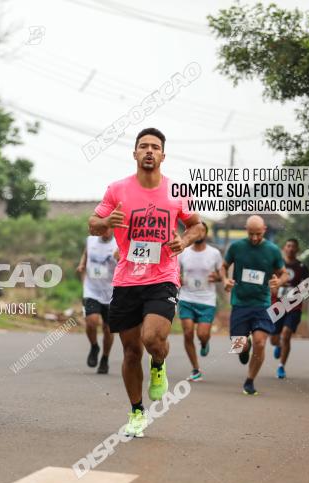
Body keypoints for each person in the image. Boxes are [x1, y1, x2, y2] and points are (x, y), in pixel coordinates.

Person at [88, 128, 203, 437]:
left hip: (163, 276)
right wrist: (105, 223)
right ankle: (137, 412)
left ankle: (159, 363)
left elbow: (197, 226)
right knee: (129, 352)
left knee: (152, 337)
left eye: (155, 147)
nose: (149, 151)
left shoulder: (176, 191)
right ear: (135, 153)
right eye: (143, 146)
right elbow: (93, 223)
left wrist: (186, 239)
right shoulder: (117, 189)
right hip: (127, 279)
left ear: (163, 155)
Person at [222, 216, 286, 396]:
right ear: (245, 230)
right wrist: (225, 279)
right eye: (251, 234)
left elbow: (284, 273)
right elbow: (223, 266)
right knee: (238, 347)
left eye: (258, 234)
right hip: (240, 303)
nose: (254, 238)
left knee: (260, 342)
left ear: (264, 229)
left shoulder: (272, 250)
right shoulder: (236, 247)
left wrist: (278, 281)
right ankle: (244, 347)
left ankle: (250, 380)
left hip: (262, 304)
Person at [177, 222, 225, 381]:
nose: (198, 233)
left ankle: (205, 343)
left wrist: (218, 278)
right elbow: (175, 272)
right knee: (188, 331)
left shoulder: (214, 253)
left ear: (205, 234)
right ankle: (195, 369)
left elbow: (221, 274)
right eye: (195, 230)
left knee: (203, 334)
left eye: (202, 230)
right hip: (186, 298)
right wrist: (179, 279)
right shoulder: (183, 253)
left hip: (206, 300)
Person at [77, 226, 118, 374]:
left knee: (108, 329)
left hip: (111, 293)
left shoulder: (119, 244)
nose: (105, 231)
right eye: (103, 228)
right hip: (91, 289)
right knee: (91, 321)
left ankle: (105, 359)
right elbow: (86, 254)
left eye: (108, 229)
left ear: (113, 229)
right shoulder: (91, 240)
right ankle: (94, 346)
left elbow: (124, 263)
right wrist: (82, 264)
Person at [269, 238, 309, 378]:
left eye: (293, 246)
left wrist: (300, 293)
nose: (291, 248)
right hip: (277, 306)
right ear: (284, 248)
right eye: (288, 246)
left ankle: (281, 367)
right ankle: (277, 345)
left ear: (297, 250)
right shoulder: (277, 265)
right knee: (274, 339)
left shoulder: (302, 267)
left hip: (294, 307)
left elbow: (307, 287)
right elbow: (269, 281)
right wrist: (274, 288)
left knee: (286, 335)